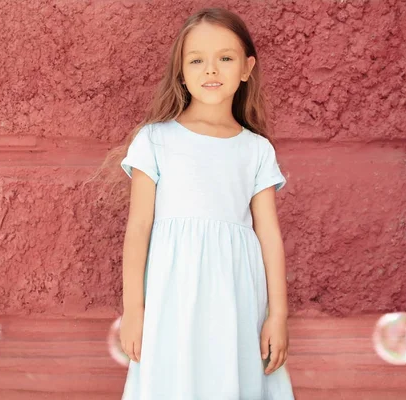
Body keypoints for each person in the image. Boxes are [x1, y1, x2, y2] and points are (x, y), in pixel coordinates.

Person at [110, 7, 296, 400]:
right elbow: (139, 228)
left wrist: (277, 315)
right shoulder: (155, 140)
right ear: (181, 70)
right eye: (197, 60)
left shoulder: (256, 150)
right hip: (171, 296)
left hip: (237, 297)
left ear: (246, 69)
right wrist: (133, 311)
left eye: (225, 59)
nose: (211, 70)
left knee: (232, 376)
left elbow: (270, 237)